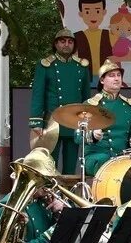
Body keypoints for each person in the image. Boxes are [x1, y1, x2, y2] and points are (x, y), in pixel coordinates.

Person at [29, 28, 92, 173]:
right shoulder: (46, 65)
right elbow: (38, 95)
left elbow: (86, 97)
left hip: (74, 122)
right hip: (51, 123)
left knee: (70, 168)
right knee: (49, 166)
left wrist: (86, 121)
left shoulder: (81, 66)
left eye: (70, 42)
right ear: (56, 44)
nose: (66, 44)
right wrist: (36, 122)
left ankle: (68, 196)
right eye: (62, 41)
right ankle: (49, 196)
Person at [82, 60, 131, 176]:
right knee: (105, 160)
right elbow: (77, 136)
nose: (117, 79)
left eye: (119, 75)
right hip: (96, 157)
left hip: (122, 156)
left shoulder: (128, 106)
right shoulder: (91, 104)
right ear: (102, 80)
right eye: (112, 76)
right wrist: (92, 134)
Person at [73, 0, 114, 77]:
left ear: (104, 12)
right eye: (87, 12)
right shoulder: (76, 37)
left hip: (107, 78)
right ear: (81, 14)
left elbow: (128, 55)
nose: (93, 15)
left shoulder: (110, 35)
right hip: (84, 78)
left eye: (97, 11)